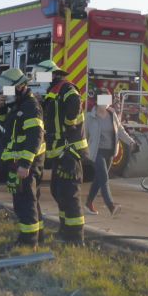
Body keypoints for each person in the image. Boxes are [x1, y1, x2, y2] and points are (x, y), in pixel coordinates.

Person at [35, 60, 87, 245]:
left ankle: (75, 237)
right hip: (59, 153)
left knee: (70, 195)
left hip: (69, 153)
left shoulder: (66, 88)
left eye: (41, 75)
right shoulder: (54, 91)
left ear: (52, 74)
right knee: (58, 192)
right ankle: (65, 230)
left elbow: (74, 100)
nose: (39, 79)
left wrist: (70, 121)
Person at [0, 67, 46, 247]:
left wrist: (25, 164)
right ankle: (38, 237)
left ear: (19, 87)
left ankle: (28, 242)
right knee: (30, 201)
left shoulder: (31, 107)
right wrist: (1, 107)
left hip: (26, 164)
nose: (5, 93)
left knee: (25, 204)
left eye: (7, 89)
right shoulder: (19, 105)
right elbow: (6, 125)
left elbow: (35, 137)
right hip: (20, 162)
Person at [84, 95, 137, 216]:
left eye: (108, 99)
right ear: (97, 101)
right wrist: (82, 151)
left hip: (110, 152)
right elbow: (84, 135)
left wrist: (131, 142)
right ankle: (111, 206)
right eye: (103, 99)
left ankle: (88, 203)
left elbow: (120, 131)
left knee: (99, 179)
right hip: (96, 152)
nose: (106, 103)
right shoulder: (90, 117)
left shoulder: (112, 115)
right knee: (104, 178)